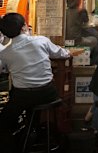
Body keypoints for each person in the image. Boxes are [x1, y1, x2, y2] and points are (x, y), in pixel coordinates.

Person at [0, 13, 70, 153]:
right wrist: (68, 52)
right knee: (30, 106)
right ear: (24, 27)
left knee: (3, 122)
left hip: (23, 97)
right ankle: (32, 133)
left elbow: (3, 69)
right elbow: (62, 54)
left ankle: (22, 140)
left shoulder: (5, 53)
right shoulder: (41, 41)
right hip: (48, 94)